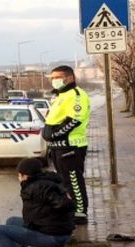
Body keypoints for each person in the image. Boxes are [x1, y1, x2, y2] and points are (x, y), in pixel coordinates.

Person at [0, 158, 75, 247]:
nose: (18, 178)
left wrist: (48, 216)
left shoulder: (38, 188)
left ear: (24, 175)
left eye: (19, 175)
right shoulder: (42, 183)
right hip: (50, 228)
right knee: (12, 221)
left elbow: (65, 204)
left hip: (54, 235)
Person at [42, 65, 91, 225]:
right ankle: (71, 209)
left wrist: (55, 134)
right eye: (53, 78)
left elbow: (75, 120)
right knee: (64, 181)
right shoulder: (60, 96)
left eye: (58, 77)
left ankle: (80, 213)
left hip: (70, 146)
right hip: (58, 147)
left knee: (73, 180)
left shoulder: (76, 95)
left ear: (69, 78)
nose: (54, 81)